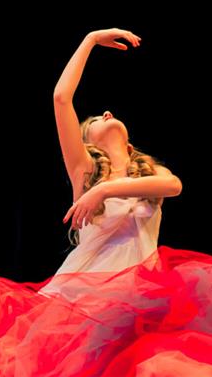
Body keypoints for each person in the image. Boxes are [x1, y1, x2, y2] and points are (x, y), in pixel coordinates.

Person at [39, 28, 182, 289]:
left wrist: (105, 190)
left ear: (129, 146)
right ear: (87, 143)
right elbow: (61, 98)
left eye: (106, 114)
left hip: (140, 294)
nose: (106, 113)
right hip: (84, 295)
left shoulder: (149, 174)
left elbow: (174, 186)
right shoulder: (85, 170)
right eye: (94, 119)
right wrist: (91, 39)